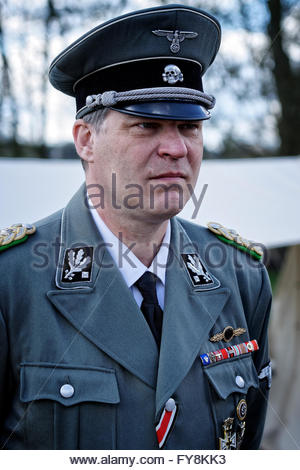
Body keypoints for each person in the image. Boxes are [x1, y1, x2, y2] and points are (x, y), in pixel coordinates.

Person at [0, 4, 272, 450]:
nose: (176, 148)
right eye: (146, 125)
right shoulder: (12, 282)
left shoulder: (242, 277)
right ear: (86, 141)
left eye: (189, 126)